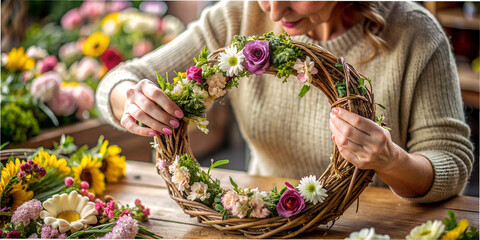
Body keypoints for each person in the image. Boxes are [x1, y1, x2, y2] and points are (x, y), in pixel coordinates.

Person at [96, 1, 474, 203]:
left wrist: (390, 161)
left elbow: (450, 165)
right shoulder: (239, 15)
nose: (275, 12)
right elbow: (121, 79)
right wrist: (130, 98)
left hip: (369, 226)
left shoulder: (415, 34)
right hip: (261, 223)